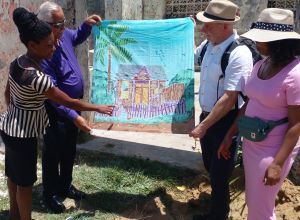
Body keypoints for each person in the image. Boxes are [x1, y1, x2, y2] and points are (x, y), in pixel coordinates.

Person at [0, 7, 113, 220]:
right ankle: (44, 199)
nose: (55, 48)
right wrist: (96, 108)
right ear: (34, 44)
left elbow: (7, 94)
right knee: (26, 182)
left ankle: (18, 213)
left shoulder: (17, 63)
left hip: (10, 126)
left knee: (13, 176)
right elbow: (66, 101)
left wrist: (17, 112)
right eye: (50, 45)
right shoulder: (39, 74)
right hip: (27, 132)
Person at [218, 8, 300, 220]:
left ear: (277, 43)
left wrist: (277, 164)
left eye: (261, 39)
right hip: (252, 141)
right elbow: (250, 103)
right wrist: (230, 134)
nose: (255, 43)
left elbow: (296, 125)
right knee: (255, 201)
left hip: (274, 149)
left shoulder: (295, 74)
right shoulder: (261, 64)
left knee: (259, 207)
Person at [36, 1, 104, 213]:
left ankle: (65, 186)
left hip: (73, 110)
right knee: (52, 154)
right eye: (58, 24)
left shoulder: (63, 35)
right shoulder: (42, 50)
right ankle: (49, 195)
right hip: (55, 112)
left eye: (64, 22)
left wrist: (86, 25)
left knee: (68, 151)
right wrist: (74, 116)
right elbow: (53, 95)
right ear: (44, 25)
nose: (63, 27)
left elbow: (76, 37)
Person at [189, 1, 253, 219]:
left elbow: (229, 98)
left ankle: (218, 214)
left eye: (209, 25)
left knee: (219, 173)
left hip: (226, 122)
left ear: (226, 26)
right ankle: (216, 206)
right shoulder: (208, 45)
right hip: (207, 117)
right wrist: (183, 31)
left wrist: (203, 126)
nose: (203, 29)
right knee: (210, 165)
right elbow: (190, 57)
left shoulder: (239, 53)